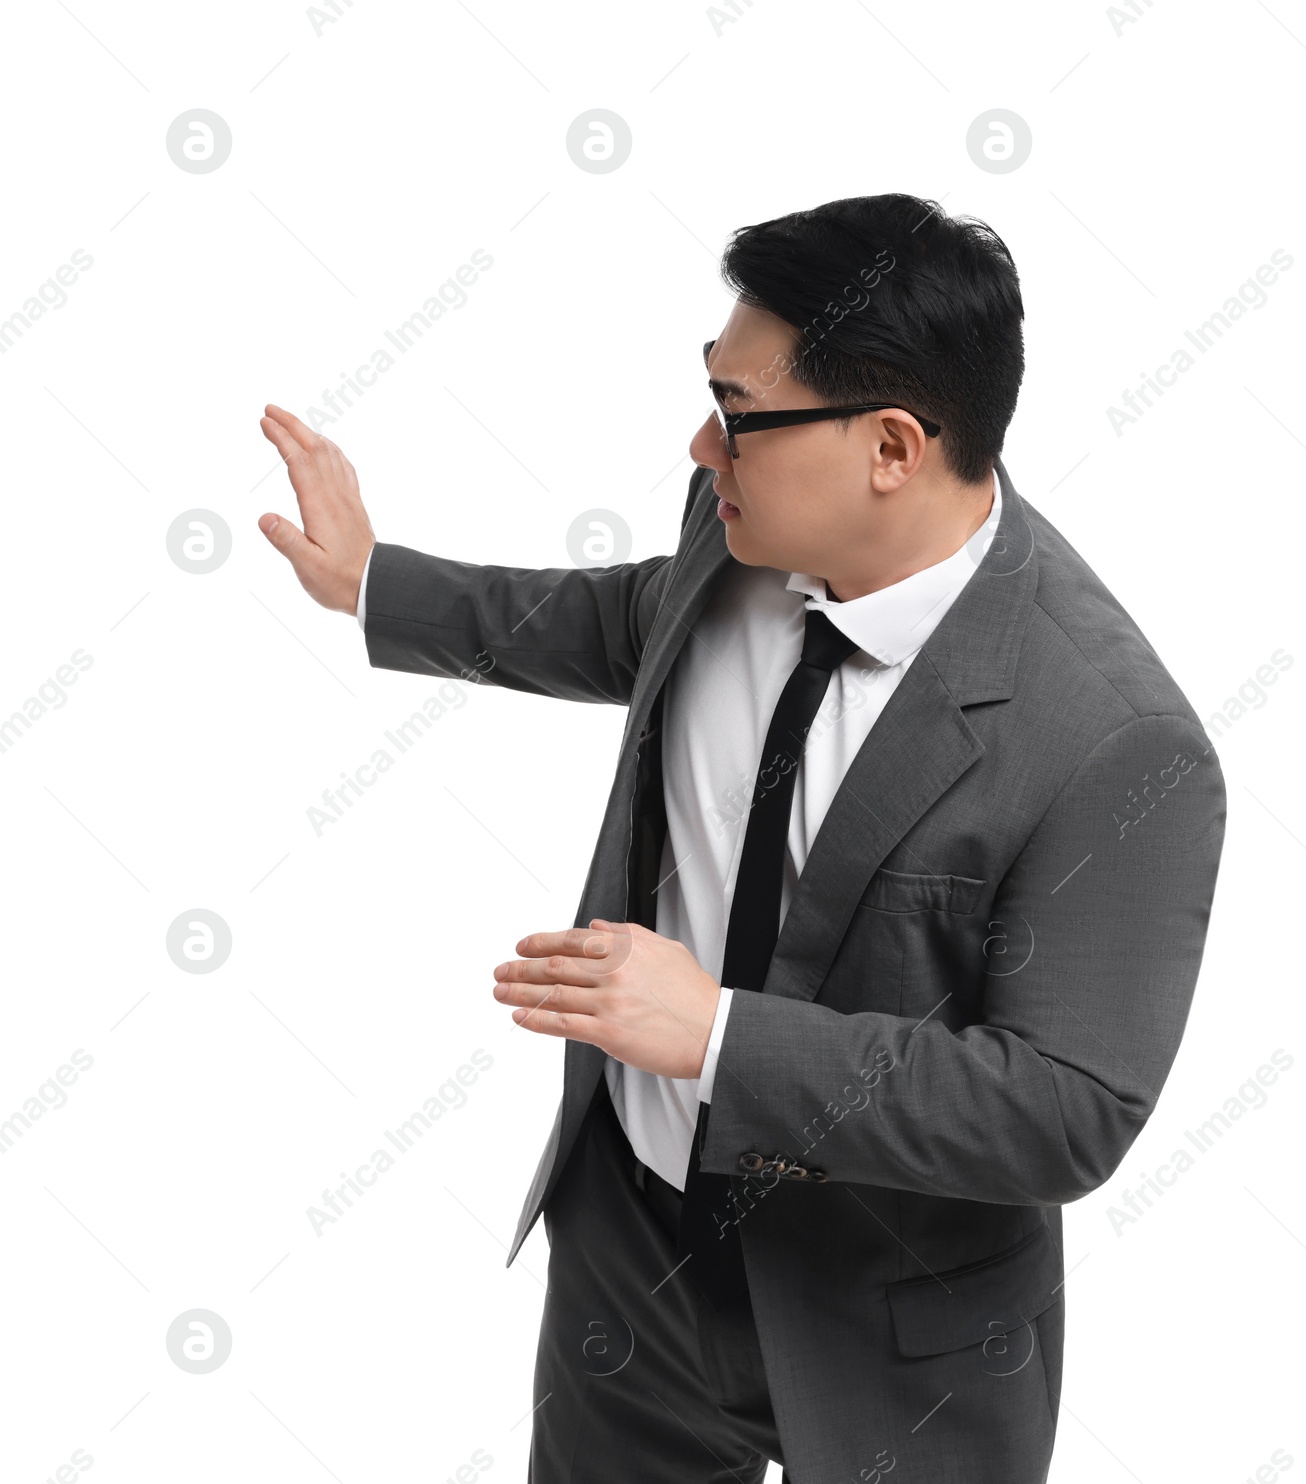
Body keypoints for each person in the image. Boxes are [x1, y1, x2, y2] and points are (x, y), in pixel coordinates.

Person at [257, 192, 1226, 1484]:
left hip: (893, 1339)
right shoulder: (740, 534)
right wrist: (380, 584)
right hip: (633, 1269)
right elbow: (636, 626)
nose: (702, 449)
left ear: (892, 446)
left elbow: (1065, 1112)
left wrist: (716, 1036)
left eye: (740, 415)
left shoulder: (1113, 743)